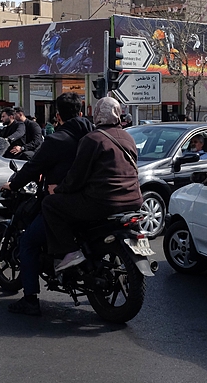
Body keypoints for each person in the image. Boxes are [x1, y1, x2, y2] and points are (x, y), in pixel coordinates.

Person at [1, 93, 94, 316]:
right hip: (94, 202)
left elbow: (34, 167)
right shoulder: (94, 135)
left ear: (58, 116)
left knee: (28, 242)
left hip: (63, 203)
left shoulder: (57, 140)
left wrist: (13, 185)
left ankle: (30, 299)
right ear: (81, 113)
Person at [41, 97, 143, 272]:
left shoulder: (93, 139)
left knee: (49, 204)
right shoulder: (128, 137)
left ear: (96, 115)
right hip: (134, 200)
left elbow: (76, 176)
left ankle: (70, 251)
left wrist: (58, 189)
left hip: (102, 202)